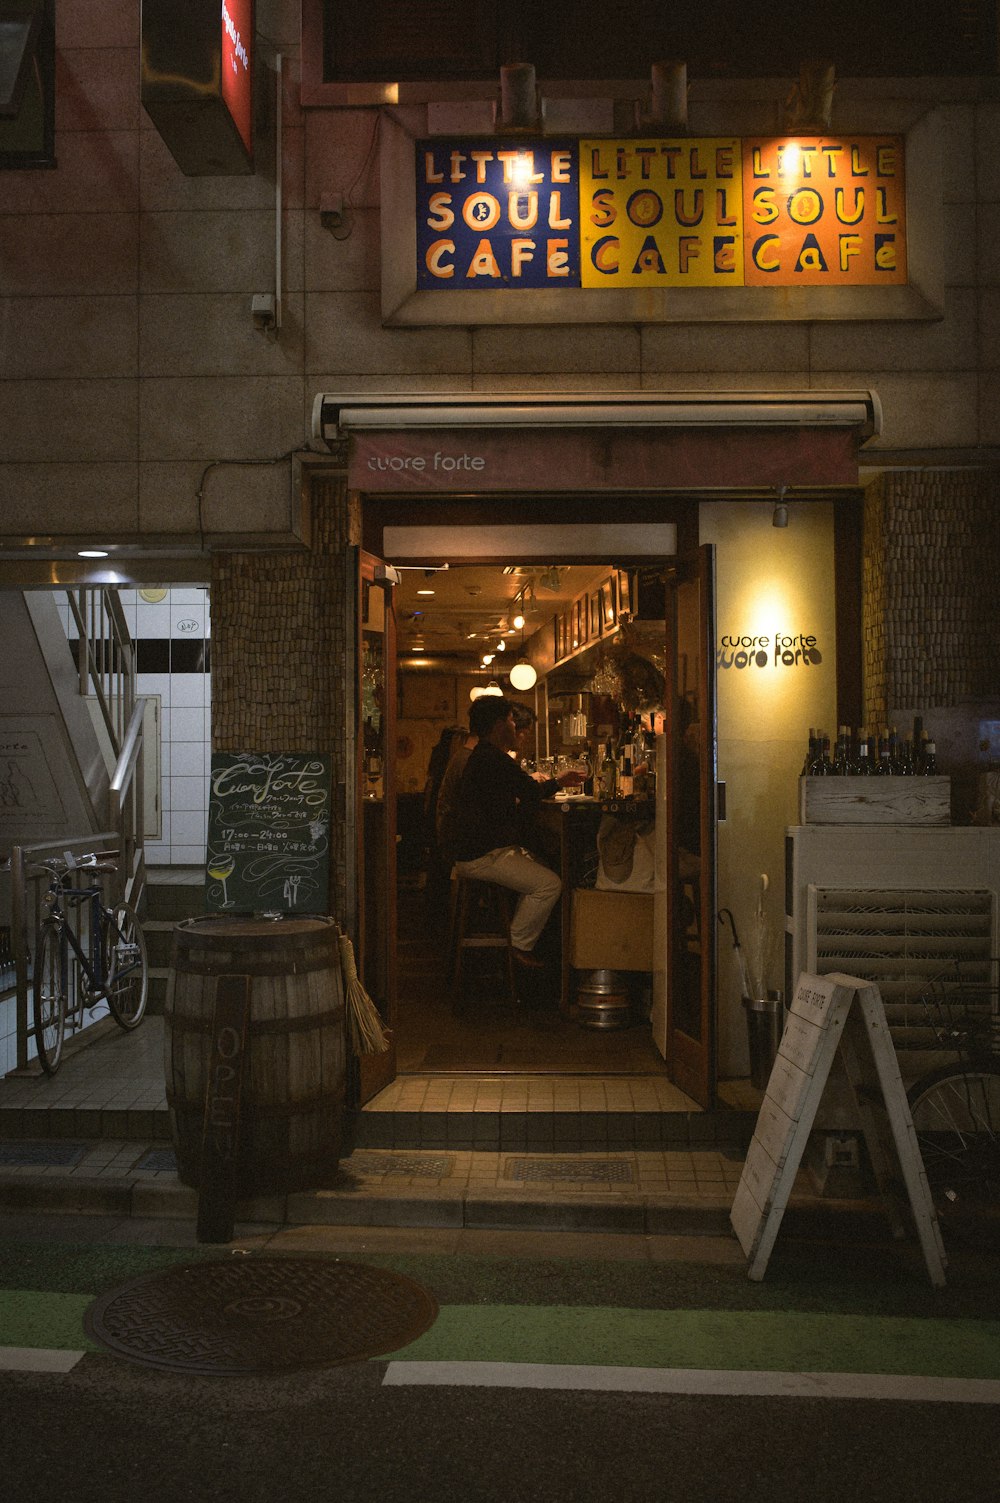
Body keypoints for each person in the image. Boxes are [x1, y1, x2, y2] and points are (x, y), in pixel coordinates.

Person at [453, 697, 583, 968]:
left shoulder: (484, 755)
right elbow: (530, 792)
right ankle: (518, 946)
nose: (515, 726)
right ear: (499, 725)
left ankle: (525, 941)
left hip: (477, 849)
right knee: (549, 884)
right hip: (482, 855)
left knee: (542, 866)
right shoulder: (493, 758)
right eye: (512, 720)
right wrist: (560, 781)